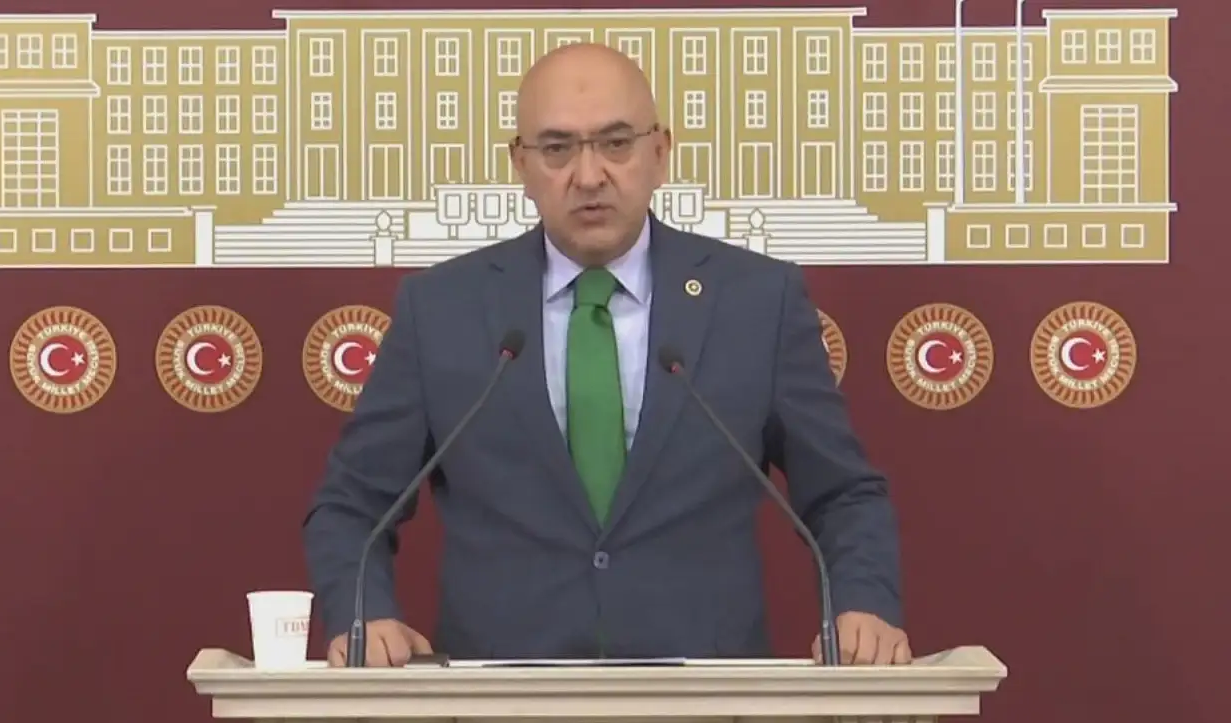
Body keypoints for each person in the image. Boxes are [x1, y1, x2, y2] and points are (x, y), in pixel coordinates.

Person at [302, 42, 911, 668]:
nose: (589, 176)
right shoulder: (441, 309)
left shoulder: (757, 301)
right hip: (502, 694)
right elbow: (352, 503)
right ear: (521, 164)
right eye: (557, 148)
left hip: (706, 693)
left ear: (660, 153)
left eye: (616, 143)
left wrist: (864, 603)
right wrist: (362, 612)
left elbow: (842, 492)